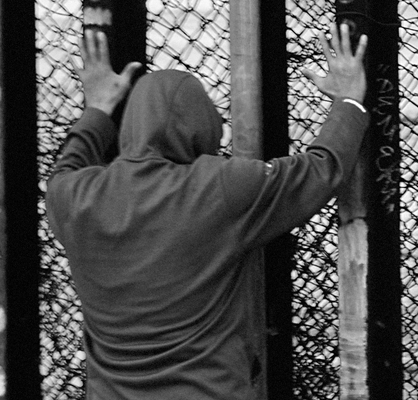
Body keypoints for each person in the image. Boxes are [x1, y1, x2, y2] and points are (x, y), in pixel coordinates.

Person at [45, 21, 368, 399]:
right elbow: (320, 169)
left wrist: (98, 109)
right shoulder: (219, 189)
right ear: (203, 128)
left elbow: (65, 168)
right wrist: (348, 101)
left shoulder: (73, 199)